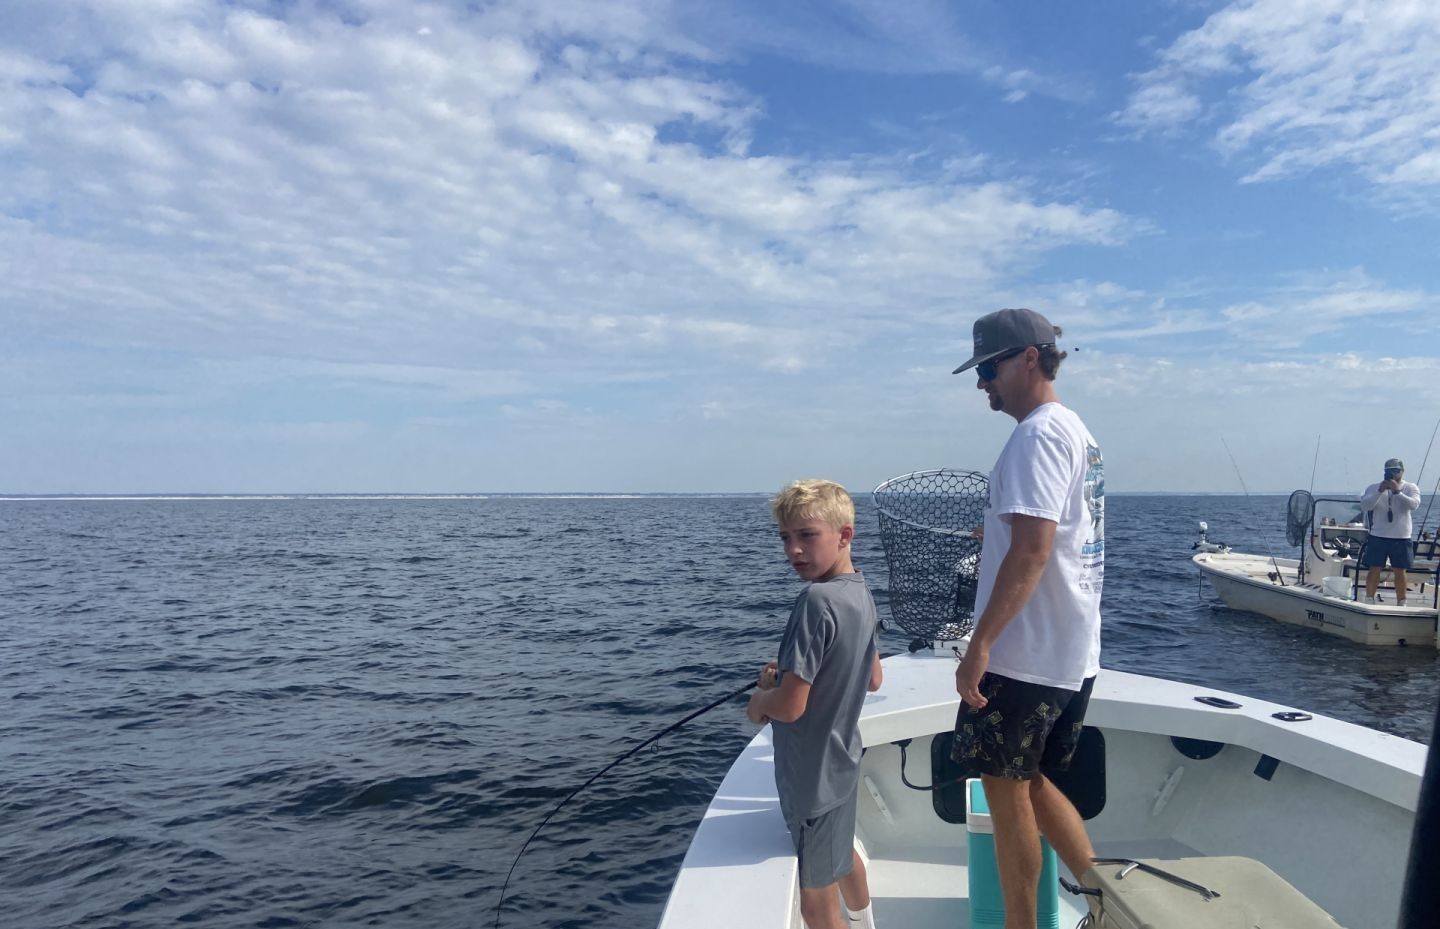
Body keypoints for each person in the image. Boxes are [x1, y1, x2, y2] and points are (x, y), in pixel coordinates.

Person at [949, 308, 1104, 929]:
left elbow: (1035, 550)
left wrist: (979, 646)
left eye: (988, 367)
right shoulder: (1075, 431)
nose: (982, 382)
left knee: (1004, 787)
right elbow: (1049, 535)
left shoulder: (1036, 435)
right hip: (1069, 652)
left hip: (1025, 655)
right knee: (1031, 779)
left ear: (1029, 360)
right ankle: (1105, 904)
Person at [746, 479, 885, 929]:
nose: (794, 550)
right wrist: (789, 676)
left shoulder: (815, 601)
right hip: (843, 763)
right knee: (841, 857)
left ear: (844, 535)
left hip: (812, 779)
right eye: (786, 537)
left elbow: (788, 708)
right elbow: (874, 677)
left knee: (816, 902)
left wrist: (759, 699)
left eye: (807, 536)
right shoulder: (858, 591)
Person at [1359, 458, 1422, 605]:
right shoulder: (1373, 487)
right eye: (1389, 471)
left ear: (1402, 471)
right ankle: (1369, 598)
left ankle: (1401, 601)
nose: (1392, 474)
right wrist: (1380, 491)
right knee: (1374, 568)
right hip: (1378, 535)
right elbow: (1365, 506)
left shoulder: (1411, 487)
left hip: (1401, 536)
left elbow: (1414, 505)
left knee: (1400, 570)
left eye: (1396, 471)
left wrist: (1397, 492)